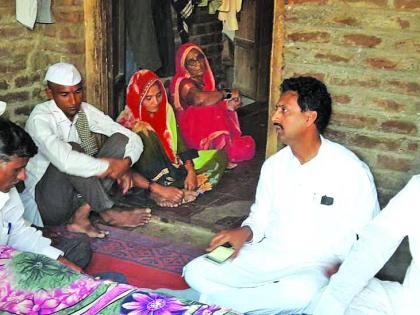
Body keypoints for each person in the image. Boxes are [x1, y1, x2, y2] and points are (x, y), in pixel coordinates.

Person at [182, 76, 379, 313]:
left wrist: (345, 269)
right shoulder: (274, 165)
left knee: (302, 292)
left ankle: (218, 303)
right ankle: (251, 303)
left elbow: (369, 238)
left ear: (309, 117)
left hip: (317, 266)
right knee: (196, 270)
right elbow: (260, 218)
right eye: (277, 109)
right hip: (269, 255)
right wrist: (243, 233)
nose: (275, 117)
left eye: (284, 110)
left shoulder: (351, 170)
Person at [20, 62, 152, 239]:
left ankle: (81, 214)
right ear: (50, 93)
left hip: (79, 196)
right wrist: (109, 167)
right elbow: (65, 161)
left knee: (121, 139)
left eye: (77, 92)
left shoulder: (84, 111)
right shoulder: (40, 118)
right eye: (65, 94)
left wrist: (125, 163)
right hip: (49, 204)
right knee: (73, 150)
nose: (73, 101)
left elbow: (132, 138)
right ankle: (107, 211)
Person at [117, 69, 228, 207]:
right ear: (137, 98)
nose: (156, 102)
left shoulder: (166, 110)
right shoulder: (127, 122)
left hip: (173, 166)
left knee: (219, 157)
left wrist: (191, 171)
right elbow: (125, 167)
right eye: (148, 98)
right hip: (147, 178)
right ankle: (160, 192)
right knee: (143, 130)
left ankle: (177, 190)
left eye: (158, 95)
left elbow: (180, 144)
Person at [312, 175, 420, 315]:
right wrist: (336, 296)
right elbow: (375, 242)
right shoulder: (417, 188)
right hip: (410, 302)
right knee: (331, 297)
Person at [0, 117, 82, 272]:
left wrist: (61, 262)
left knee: (78, 249)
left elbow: (17, 231)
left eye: (24, 169)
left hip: (11, 257)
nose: (23, 176)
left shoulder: (7, 192)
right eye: (16, 169)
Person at [169, 42, 255, 169]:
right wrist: (226, 93)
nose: (198, 64)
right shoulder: (183, 83)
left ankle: (220, 152)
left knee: (245, 147)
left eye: (200, 58)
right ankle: (212, 154)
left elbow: (214, 99)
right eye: (191, 62)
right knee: (207, 109)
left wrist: (228, 105)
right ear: (184, 66)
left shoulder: (205, 81)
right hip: (187, 137)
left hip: (201, 131)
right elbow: (199, 99)